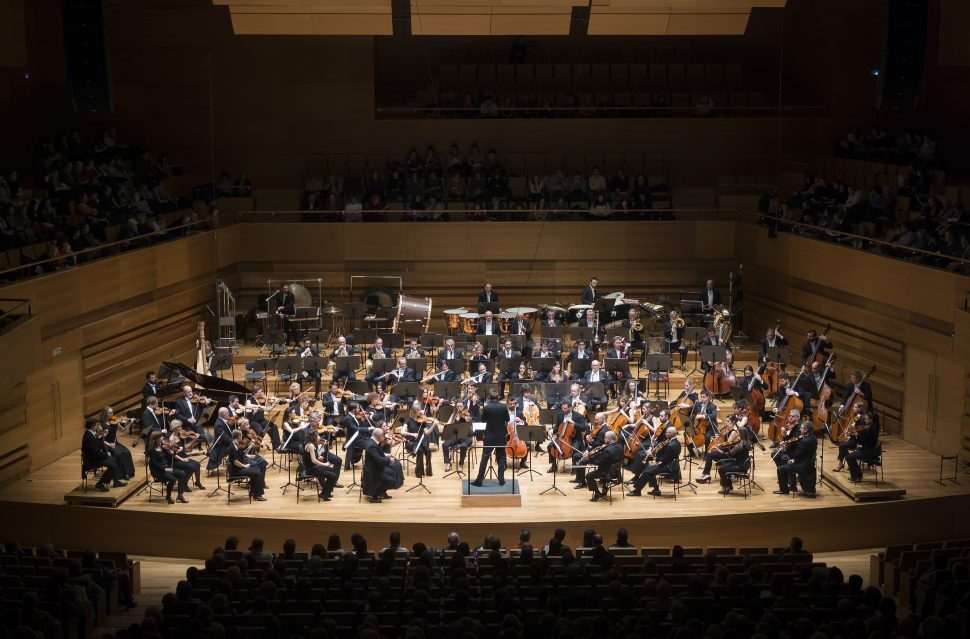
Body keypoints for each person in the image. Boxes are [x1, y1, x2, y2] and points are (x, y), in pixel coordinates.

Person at [627, 426, 681, 497]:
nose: (665, 433)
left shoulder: (671, 445)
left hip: (668, 467)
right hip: (670, 464)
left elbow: (667, 458)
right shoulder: (676, 442)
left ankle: (637, 491)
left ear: (671, 433)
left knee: (646, 472)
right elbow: (669, 456)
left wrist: (659, 461)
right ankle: (656, 490)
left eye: (667, 432)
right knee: (648, 470)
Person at [471, 389, 510, 487]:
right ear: (498, 397)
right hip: (501, 436)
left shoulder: (487, 407)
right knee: (501, 457)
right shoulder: (503, 407)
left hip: (489, 436)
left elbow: (483, 420)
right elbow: (507, 419)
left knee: (485, 458)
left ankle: (479, 481)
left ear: (489, 397)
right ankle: (501, 480)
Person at [774, 421, 817, 497]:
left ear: (806, 430)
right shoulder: (814, 438)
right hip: (809, 462)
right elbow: (802, 454)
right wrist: (794, 459)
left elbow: (795, 455)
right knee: (787, 462)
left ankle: (784, 490)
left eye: (801, 428)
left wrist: (786, 451)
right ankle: (792, 485)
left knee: (780, 469)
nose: (800, 429)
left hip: (802, 465)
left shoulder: (804, 441)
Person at [838, 409, 880, 482]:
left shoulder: (870, 429)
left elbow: (862, 440)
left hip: (868, 451)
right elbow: (862, 441)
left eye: (866, 419)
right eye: (864, 419)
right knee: (849, 456)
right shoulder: (872, 426)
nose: (865, 421)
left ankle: (856, 476)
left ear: (871, 420)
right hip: (868, 449)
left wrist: (854, 436)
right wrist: (854, 436)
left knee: (849, 457)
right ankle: (857, 475)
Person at [81, 418, 122, 491]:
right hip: (91, 461)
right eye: (97, 425)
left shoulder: (92, 434)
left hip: (95, 457)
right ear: (93, 426)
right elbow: (96, 452)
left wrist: (100, 436)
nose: (98, 426)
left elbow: (101, 447)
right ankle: (100, 483)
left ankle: (116, 481)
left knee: (114, 460)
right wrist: (106, 454)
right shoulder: (89, 437)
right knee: (113, 465)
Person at [148, 431, 188, 504]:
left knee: (182, 474)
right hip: (158, 471)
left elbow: (169, 457)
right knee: (173, 479)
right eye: (161, 437)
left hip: (167, 468)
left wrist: (171, 450)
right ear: (156, 439)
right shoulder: (151, 449)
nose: (163, 438)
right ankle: (168, 496)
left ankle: (180, 495)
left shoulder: (163, 447)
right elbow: (153, 463)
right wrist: (165, 469)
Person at [362, 428, 401, 502]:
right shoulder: (372, 445)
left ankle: (382, 493)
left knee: (391, 473)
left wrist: (386, 455)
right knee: (390, 481)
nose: (384, 436)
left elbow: (377, 454)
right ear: (378, 436)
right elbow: (378, 459)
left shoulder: (373, 442)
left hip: (375, 467)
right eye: (383, 435)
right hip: (373, 470)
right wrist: (389, 460)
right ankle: (374, 496)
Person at [229, 428, 267, 501]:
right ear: (238, 436)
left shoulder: (236, 444)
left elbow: (241, 454)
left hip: (239, 467)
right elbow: (235, 462)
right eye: (241, 436)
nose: (242, 437)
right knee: (257, 473)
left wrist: (250, 456)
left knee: (256, 467)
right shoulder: (232, 447)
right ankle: (258, 495)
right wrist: (244, 466)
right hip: (236, 470)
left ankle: (253, 491)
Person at [584, 431, 623, 502]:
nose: (604, 439)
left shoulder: (607, 450)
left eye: (605, 437)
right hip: (617, 472)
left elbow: (599, 463)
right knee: (604, 468)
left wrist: (589, 459)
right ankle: (604, 490)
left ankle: (597, 493)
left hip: (607, 473)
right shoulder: (619, 447)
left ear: (608, 439)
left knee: (588, 476)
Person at [99, 406, 135, 480]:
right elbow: (100, 439)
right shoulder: (102, 425)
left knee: (127, 452)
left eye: (112, 412)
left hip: (115, 443)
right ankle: (122, 475)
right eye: (109, 413)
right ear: (105, 414)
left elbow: (124, 430)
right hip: (107, 445)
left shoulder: (114, 421)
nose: (112, 414)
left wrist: (130, 423)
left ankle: (128, 472)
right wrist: (109, 444)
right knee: (119, 454)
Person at [302, 430, 339, 501]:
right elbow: (314, 460)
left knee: (333, 471)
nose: (319, 437)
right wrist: (325, 464)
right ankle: (324, 494)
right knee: (332, 475)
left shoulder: (311, 444)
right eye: (317, 436)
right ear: (313, 437)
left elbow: (317, 456)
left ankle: (325, 493)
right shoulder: (311, 446)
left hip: (314, 467)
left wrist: (323, 446)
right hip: (311, 469)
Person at [717, 429, 752, 495]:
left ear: (741, 434)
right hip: (744, 464)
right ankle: (729, 486)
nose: (736, 434)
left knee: (721, 469)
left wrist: (718, 450)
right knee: (724, 465)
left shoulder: (740, 445)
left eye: (738, 433)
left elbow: (729, 454)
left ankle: (724, 487)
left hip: (740, 466)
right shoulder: (747, 442)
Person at [403, 404, 434, 477]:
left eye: (420, 410)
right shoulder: (408, 421)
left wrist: (433, 425)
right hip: (411, 443)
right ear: (414, 412)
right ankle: (419, 472)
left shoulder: (422, 420)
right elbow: (402, 431)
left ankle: (428, 471)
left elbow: (427, 432)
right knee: (420, 451)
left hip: (421, 442)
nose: (421, 412)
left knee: (428, 451)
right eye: (419, 410)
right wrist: (412, 434)